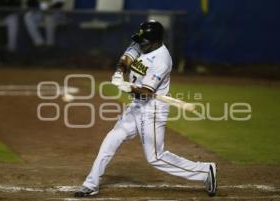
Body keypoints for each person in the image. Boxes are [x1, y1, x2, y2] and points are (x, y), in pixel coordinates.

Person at [75, 20, 217, 197]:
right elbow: (128, 55)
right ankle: (91, 184)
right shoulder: (144, 43)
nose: (139, 44)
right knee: (111, 139)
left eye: (144, 42)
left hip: (152, 109)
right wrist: (120, 71)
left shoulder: (162, 60)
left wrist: (128, 87)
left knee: (155, 157)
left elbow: (146, 92)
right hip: (136, 106)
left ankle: (205, 171)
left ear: (155, 42)